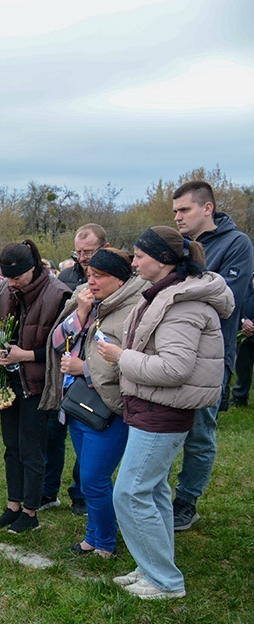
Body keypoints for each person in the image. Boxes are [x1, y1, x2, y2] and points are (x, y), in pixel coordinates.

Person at [97, 226, 233, 600]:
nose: (134, 261)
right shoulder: (162, 294)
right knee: (153, 490)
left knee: (129, 492)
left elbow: (175, 369)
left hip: (163, 411)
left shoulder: (184, 303)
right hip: (149, 406)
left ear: (165, 260)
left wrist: (120, 357)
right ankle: (151, 568)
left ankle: (165, 581)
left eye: (140, 255)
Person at [41, 249, 146, 558]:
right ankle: (93, 537)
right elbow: (58, 341)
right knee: (89, 481)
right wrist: (82, 313)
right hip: (78, 405)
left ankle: (107, 544)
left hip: (110, 408)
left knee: (94, 478)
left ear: (120, 278)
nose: (92, 282)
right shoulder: (90, 302)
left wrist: (82, 368)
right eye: (89, 276)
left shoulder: (133, 310)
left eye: (99, 277)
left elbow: (129, 360)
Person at [170, 180, 254, 531]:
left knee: (200, 431)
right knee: (162, 426)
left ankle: (187, 501)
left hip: (212, 355)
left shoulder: (237, 244)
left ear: (208, 208)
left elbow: (222, 298)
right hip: (172, 350)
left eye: (184, 210)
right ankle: (155, 493)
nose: (177, 217)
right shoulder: (177, 245)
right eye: (174, 211)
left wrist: (175, 292)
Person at [0, 240, 71, 533]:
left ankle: (31, 511)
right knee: (12, 445)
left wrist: (26, 355)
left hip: (37, 383)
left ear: (33, 269)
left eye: (17, 278)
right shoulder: (4, 292)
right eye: (7, 278)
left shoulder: (58, 294)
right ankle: (13, 506)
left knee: (31, 448)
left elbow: (63, 346)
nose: (11, 284)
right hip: (8, 379)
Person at [46, 225, 109, 516]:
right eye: (79, 252)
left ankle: (85, 494)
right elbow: (58, 335)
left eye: (90, 252)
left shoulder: (117, 282)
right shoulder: (69, 278)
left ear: (105, 247)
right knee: (64, 436)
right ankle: (61, 490)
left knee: (91, 439)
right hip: (68, 374)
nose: (83, 258)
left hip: (99, 376)